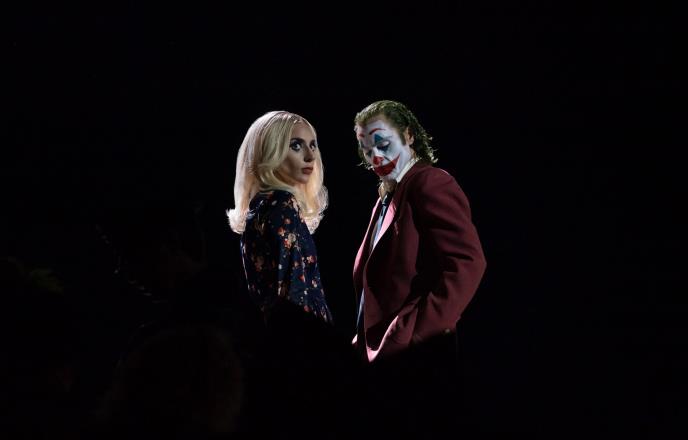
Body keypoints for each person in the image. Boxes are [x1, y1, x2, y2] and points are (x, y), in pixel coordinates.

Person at [352, 100, 487, 363]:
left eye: (383, 144)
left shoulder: (429, 182)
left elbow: (468, 263)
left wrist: (414, 335)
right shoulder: (386, 200)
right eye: (367, 151)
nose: (375, 158)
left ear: (409, 135)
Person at [228, 110, 332, 325]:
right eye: (296, 145)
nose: (310, 156)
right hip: (301, 337)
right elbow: (294, 296)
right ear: (269, 150)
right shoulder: (283, 204)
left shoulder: (260, 207)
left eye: (313, 145)